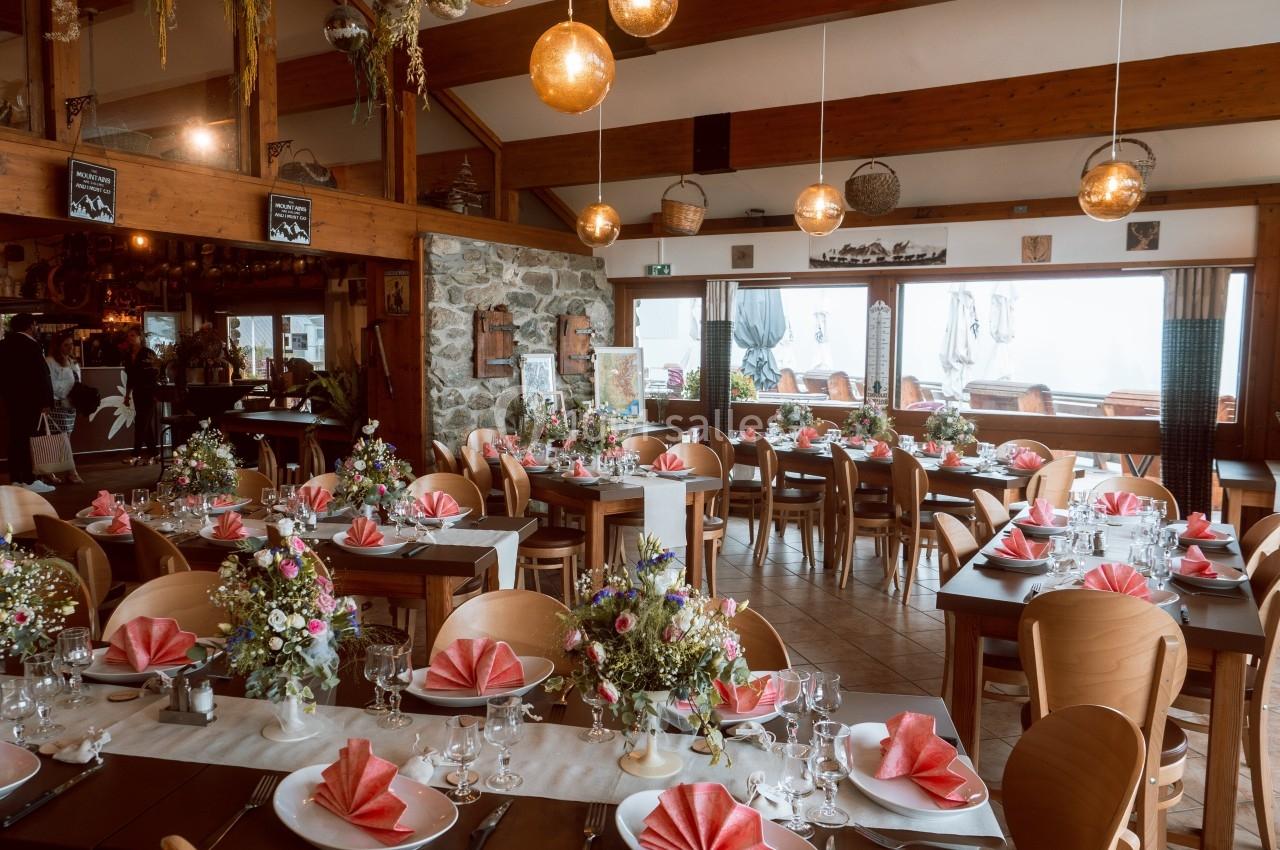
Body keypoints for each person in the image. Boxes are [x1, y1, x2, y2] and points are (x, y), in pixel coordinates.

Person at [0, 314, 55, 492]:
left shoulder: (3, 344)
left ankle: (16, 478)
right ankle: (30, 480)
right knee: (28, 439)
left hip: (12, 399)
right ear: (31, 325)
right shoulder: (32, 345)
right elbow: (42, 375)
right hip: (31, 400)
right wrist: (47, 400)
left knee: (15, 438)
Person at [45, 331, 83, 484]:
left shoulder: (72, 361)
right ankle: (71, 472)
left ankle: (50, 471)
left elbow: (78, 381)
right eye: (65, 345)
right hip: (58, 405)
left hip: (71, 406)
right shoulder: (50, 361)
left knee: (63, 439)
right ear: (57, 346)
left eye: (71, 344)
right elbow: (51, 385)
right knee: (63, 439)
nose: (69, 348)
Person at [122, 327, 160, 466]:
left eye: (132, 335)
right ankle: (155, 454)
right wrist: (127, 395)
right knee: (145, 424)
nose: (130, 338)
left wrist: (156, 393)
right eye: (128, 336)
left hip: (150, 392)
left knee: (140, 422)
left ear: (140, 337)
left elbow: (156, 374)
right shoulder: (128, 355)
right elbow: (130, 378)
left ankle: (135, 454)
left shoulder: (148, 353)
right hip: (138, 392)